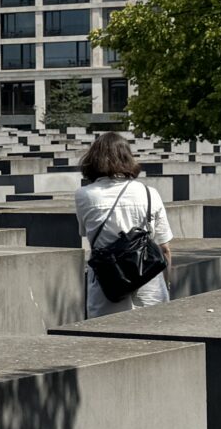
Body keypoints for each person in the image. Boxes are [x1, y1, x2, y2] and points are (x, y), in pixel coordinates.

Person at [73, 131, 172, 318]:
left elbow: (86, 233)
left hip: (107, 287)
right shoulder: (150, 193)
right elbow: (165, 249)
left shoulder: (83, 195)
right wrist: (166, 285)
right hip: (150, 286)